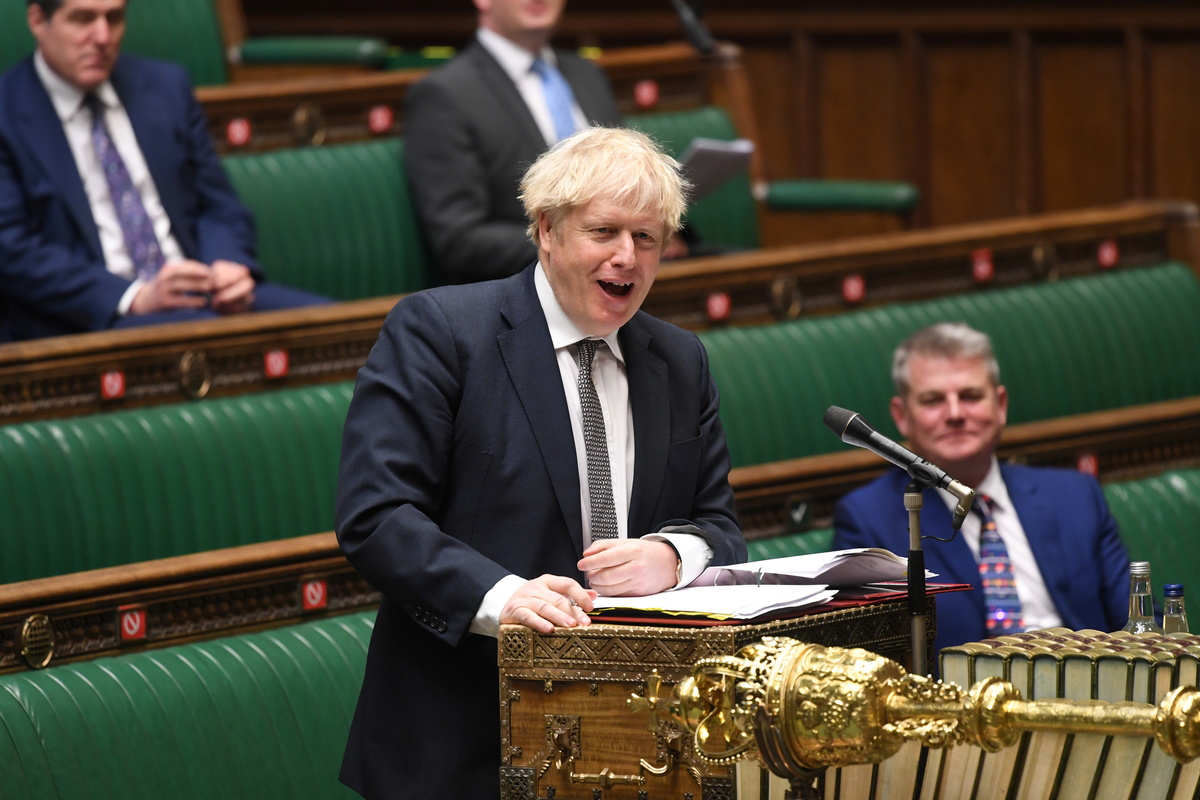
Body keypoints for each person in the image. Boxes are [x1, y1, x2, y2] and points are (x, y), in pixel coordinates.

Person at [336, 126, 745, 799]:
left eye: (646, 238)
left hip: (633, 743)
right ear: (547, 230)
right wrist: (502, 597)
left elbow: (719, 526)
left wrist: (673, 555)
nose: (627, 257)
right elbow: (376, 517)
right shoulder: (442, 332)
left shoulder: (679, 360)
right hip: (466, 737)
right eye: (604, 232)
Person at [0, 0, 328, 342]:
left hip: (204, 294)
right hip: (91, 318)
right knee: (215, 340)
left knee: (344, 332)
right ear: (38, 20)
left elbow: (220, 205)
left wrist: (226, 264)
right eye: (83, 19)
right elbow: (11, 248)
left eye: (114, 18)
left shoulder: (166, 86)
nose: (102, 37)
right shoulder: (6, 113)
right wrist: (133, 296)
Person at [832, 322, 1129, 661]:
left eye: (970, 396)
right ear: (902, 416)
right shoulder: (868, 521)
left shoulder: (1076, 496)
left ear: (1000, 404)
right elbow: (870, 664)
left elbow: (1136, 624)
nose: (955, 414)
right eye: (933, 400)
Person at [405, 0, 695, 285]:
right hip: (521, 289)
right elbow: (459, 238)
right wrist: (580, 245)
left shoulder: (587, 74)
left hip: (631, 270)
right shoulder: (444, 94)